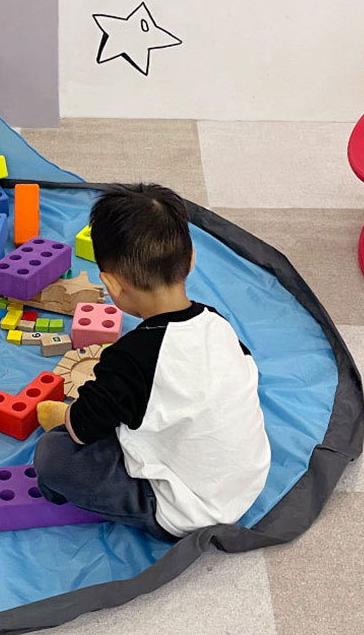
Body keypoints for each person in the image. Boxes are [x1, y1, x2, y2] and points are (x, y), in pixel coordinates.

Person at [34, 184, 271, 540]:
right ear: (191, 259)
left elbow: (81, 427)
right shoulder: (217, 322)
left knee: (54, 454)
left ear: (111, 285)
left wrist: (70, 415)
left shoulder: (130, 358)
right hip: (248, 481)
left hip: (185, 511)